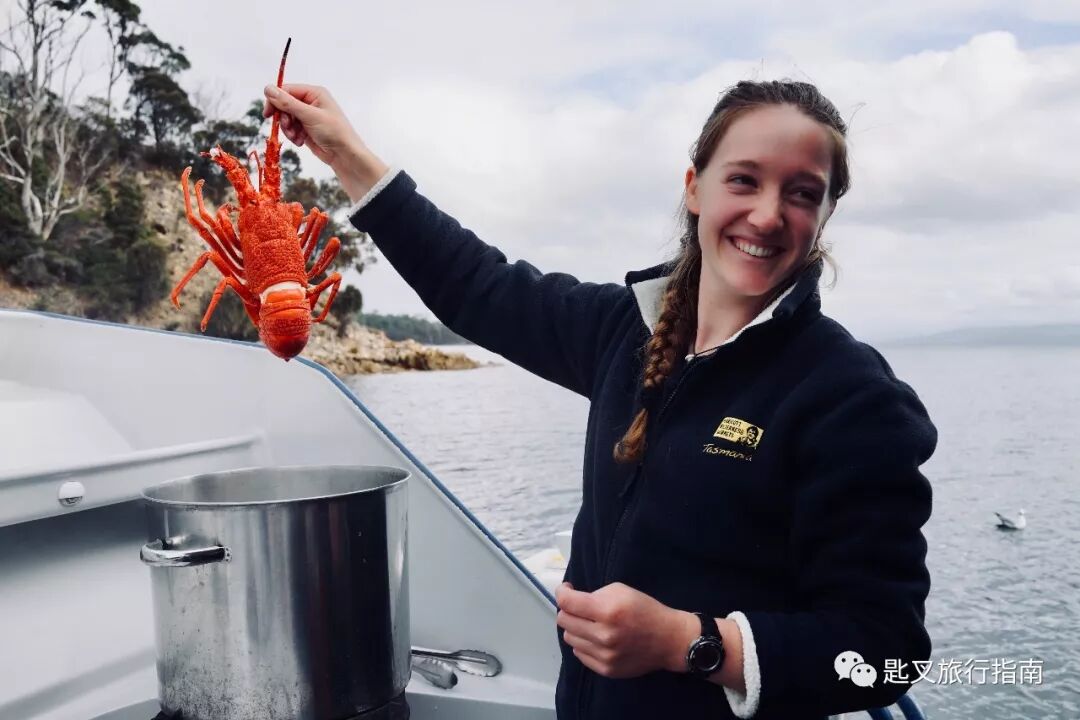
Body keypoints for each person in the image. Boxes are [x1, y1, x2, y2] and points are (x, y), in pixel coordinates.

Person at [263, 78, 937, 720]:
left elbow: (888, 652)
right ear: (694, 187)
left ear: (825, 213)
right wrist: (345, 152)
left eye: (802, 192)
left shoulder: (850, 397)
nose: (767, 214)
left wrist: (690, 642)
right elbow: (477, 285)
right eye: (743, 179)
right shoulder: (624, 330)